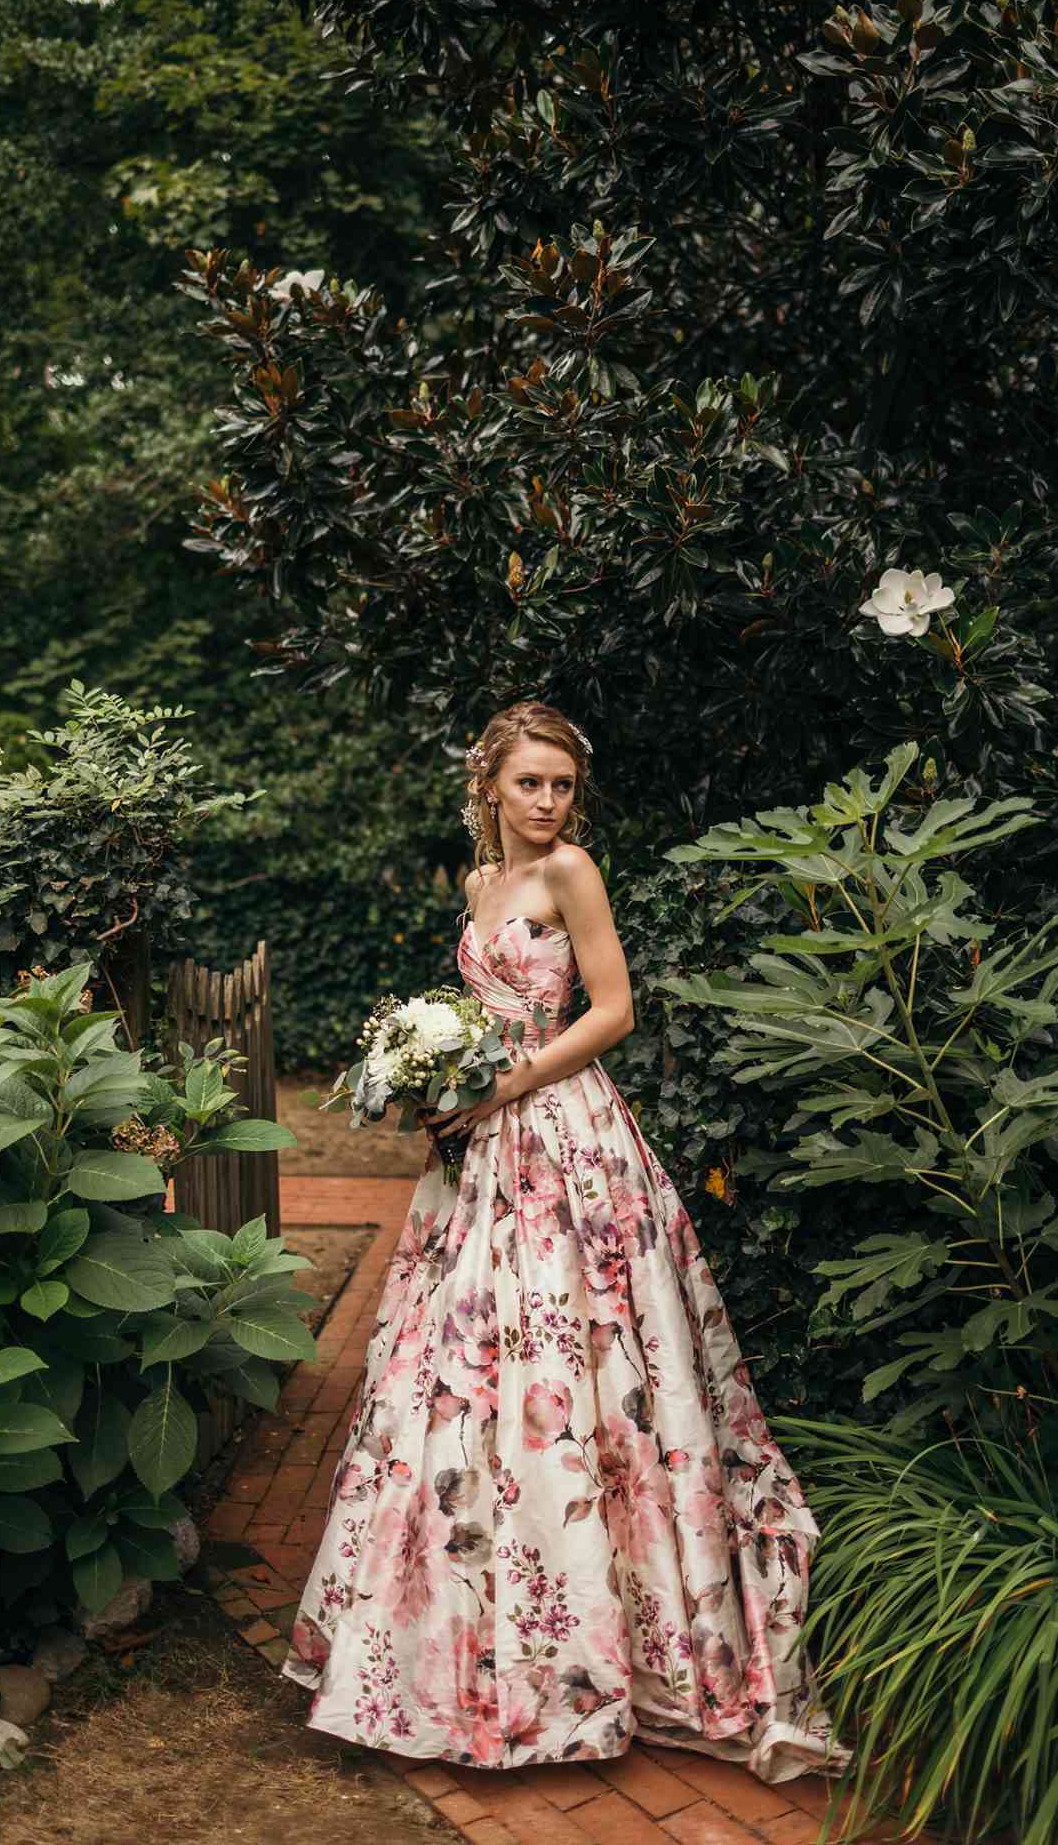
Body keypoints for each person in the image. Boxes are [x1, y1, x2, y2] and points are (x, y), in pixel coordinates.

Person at [281, 700, 851, 1782]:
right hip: (480, 1150)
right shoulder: (479, 882)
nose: (546, 803)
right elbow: (478, 1006)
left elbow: (613, 1008)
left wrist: (504, 1081)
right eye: (529, 783)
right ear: (489, 785)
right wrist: (439, 1078)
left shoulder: (571, 871)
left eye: (561, 785)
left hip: (565, 1132)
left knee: (577, 1355)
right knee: (455, 1371)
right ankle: (447, 1649)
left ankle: (597, 1648)